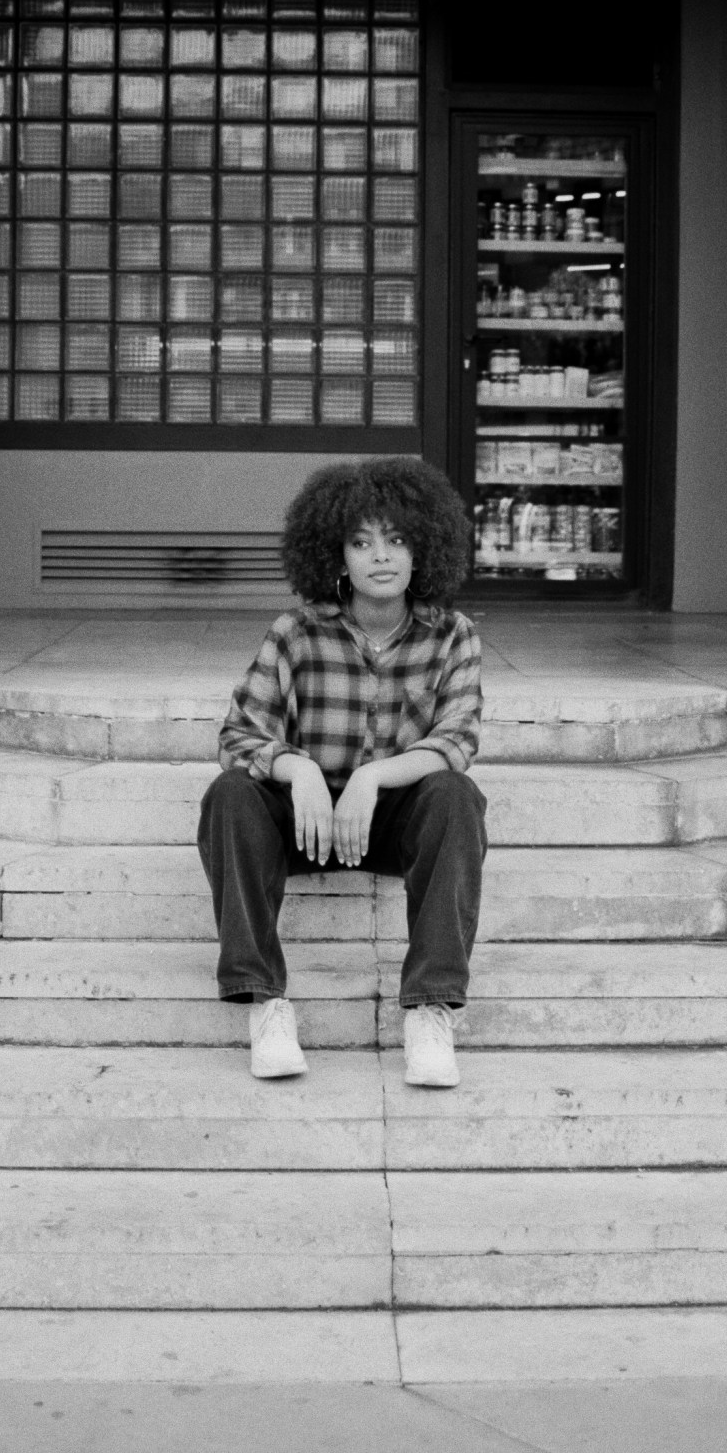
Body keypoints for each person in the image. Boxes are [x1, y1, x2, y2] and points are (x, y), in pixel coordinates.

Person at [197, 456, 486, 1088]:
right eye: (361, 543)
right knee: (229, 795)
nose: (381, 557)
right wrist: (296, 768)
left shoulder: (451, 635)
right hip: (306, 824)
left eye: (397, 539)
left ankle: (431, 1007)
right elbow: (237, 735)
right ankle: (265, 1000)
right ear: (337, 556)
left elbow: (456, 740)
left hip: (392, 824)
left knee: (456, 794)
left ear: (423, 549)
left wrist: (373, 778)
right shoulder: (296, 632)